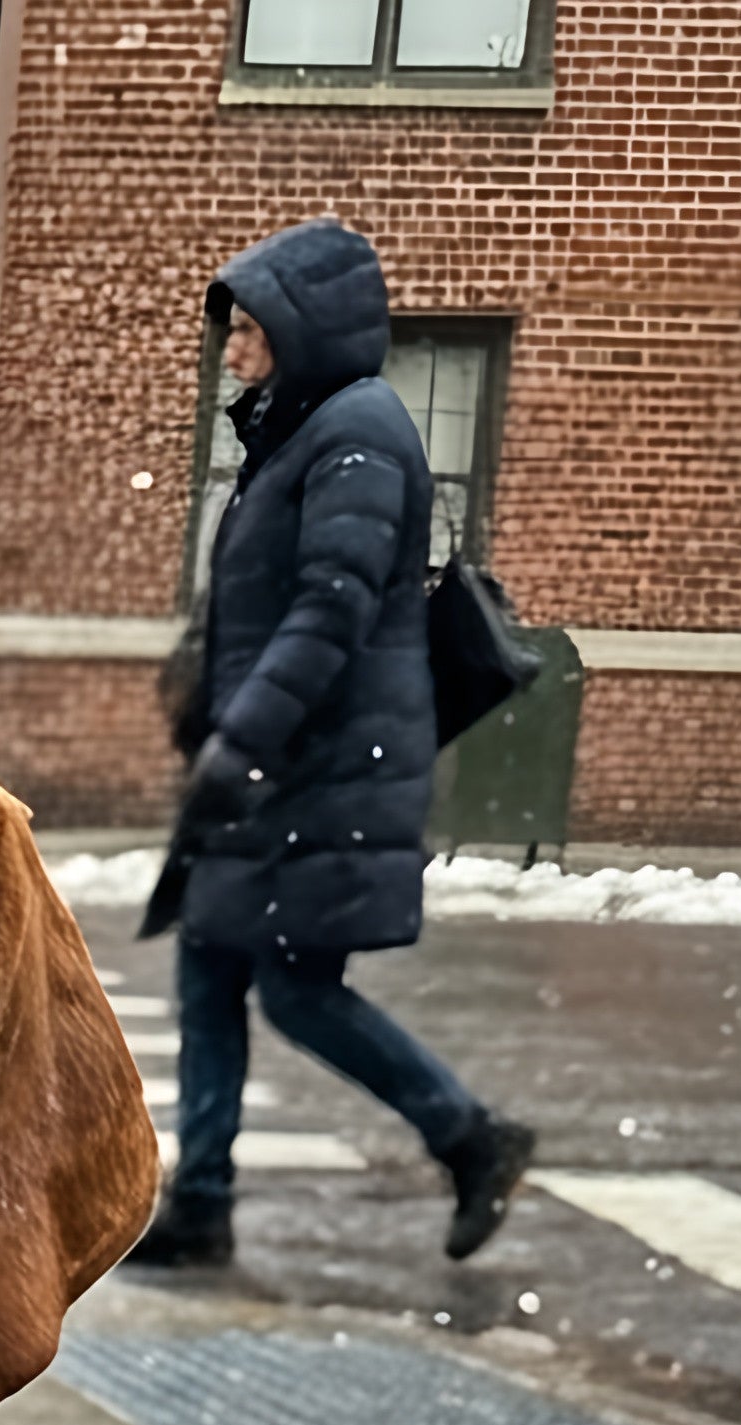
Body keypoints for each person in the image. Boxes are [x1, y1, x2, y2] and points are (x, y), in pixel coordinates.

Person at [133, 219, 533, 1272]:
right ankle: (202, 1203)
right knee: (210, 963)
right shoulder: (303, 431)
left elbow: (331, 608)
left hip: (318, 769)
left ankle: (469, 1133)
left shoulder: (355, 433)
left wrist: (248, 734)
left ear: (302, 332)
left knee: (298, 987)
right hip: (276, 763)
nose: (232, 349)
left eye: (250, 329)